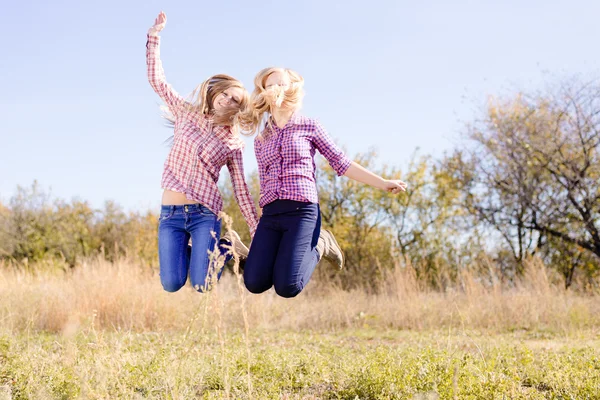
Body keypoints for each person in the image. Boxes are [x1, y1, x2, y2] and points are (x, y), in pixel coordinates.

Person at [239, 67, 407, 298]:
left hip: (301, 211)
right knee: (255, 282)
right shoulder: (261, 138)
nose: (275, 88)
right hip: (270, 214)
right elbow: (264, 178)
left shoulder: (309, 126)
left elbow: (342, 162)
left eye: (281, 83)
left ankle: (321, 245)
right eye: (269, 85)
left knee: (287, 287)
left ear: (292, 89)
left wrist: (382, 182)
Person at [146, 12, 258, 292]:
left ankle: (226, 245)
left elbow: (241, 190)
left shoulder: (233, 142)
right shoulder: (186, 113)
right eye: (226, 93)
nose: (228, 100)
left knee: (202, 285)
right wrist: (154, 37)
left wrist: (256, 230)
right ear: (215, 91)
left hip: (204, 213)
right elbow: (157, 81)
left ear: (238, 108)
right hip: (170, 213)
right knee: (171, 283)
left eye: (236, 100)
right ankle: (211, 248)